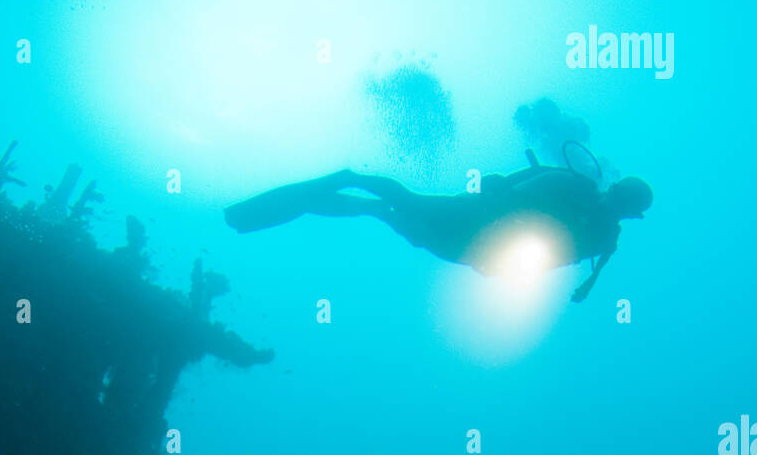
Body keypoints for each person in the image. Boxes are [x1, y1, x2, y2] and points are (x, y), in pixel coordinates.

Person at [224, 151, 652, 302]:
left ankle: (361, 204)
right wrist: (498, 201)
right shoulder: (571, 184)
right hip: (476, 218)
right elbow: (511, 189)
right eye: (621, 196)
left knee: (396, 220)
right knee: (406, 202)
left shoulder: (606, 239)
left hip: (482, 255)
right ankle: (350, 177)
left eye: (627, 206)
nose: (618, 205)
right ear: (615, 189)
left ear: (632, 213)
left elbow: (579, 283)